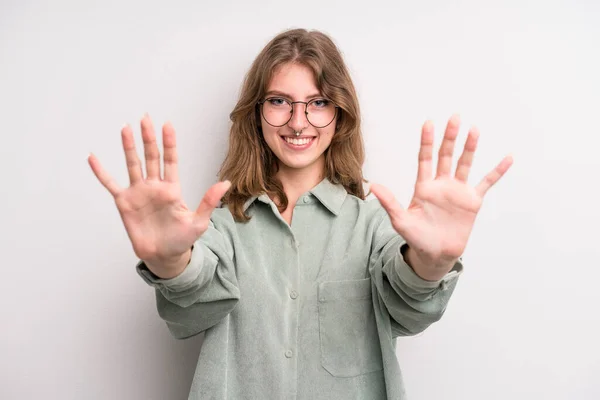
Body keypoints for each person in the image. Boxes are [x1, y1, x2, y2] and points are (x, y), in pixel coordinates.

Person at [88, 28, 512, 400]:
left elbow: (409, 307)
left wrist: (431, 264)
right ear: (256, 112)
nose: (297, 122)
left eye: (318, 102)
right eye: (279, 101)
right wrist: (169, 263)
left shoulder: (373, 223)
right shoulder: (220, 223)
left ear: (340, 114)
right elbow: (192, 304)